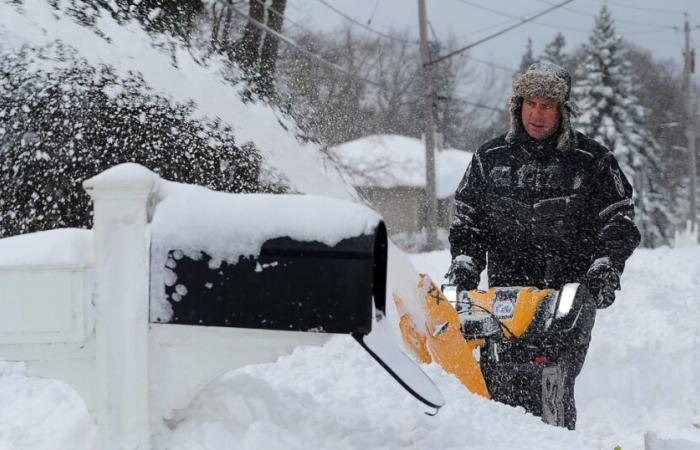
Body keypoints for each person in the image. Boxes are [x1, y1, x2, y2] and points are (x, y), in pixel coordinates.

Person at [447, 61, 640, 429]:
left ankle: (555, 439)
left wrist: (606, 265)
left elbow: (619, 221)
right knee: (498, 380)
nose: (537, 114)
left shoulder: (593, 161)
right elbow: (468, 220)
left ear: (562, 111)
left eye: (547, 105)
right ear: (517, 106)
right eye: (531, 103)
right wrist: (465, 263)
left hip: (567, 295)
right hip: (505, 298)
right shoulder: (490, 159)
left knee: (551, 379)